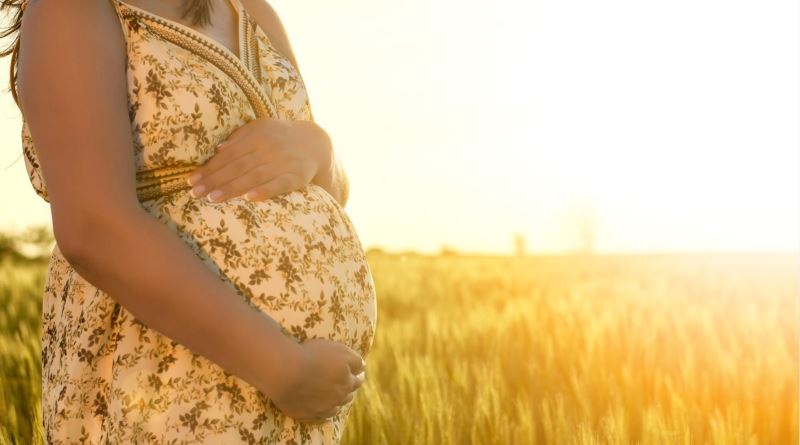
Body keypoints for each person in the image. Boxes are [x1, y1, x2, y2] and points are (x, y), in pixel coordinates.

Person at [9, 0, 378, 442]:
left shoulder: (252, 12)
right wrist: (283, 369)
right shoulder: (72, 11)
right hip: (170, 373)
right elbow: (94, 228)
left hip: (296, 400)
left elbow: (325, 193)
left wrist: (318, 149)